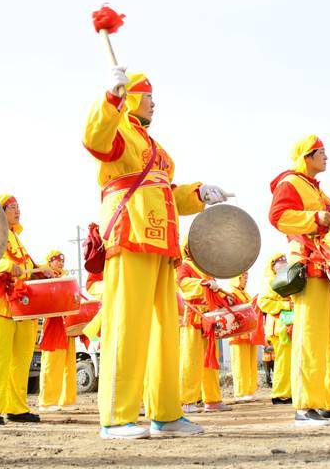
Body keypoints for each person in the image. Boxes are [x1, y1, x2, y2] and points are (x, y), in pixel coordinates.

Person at [82, 68, 230, 439]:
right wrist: (110, 99)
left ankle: (166, 413)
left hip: (162, 242)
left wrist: (199, 195)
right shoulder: (118, 130)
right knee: (126, 326)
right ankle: (116, 417)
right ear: (131, 97)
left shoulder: (154, 146)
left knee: (166, 330)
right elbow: (94, 138)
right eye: (148, 95)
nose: (154, 102)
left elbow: (167, 191)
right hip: (131, 233)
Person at [268, 135, 330, 427]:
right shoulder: (290, 183)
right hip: (309, 264)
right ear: (307, 156)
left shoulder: (316, 189)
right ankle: (306, 405)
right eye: (322, 153)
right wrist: (314, 218)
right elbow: (279, 216)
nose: (326, 157)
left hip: (329, 267)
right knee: (310, 336)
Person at [0, 195, 41, 426]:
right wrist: (6, 266)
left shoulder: (16, 238)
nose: (17, 210)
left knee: (21, 360)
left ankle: (16, 408)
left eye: (18, 207)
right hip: (0, 305)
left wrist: (41, 271)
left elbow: (26, 267)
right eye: (12, 207)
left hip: (22, 307)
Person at [177, 247, 229, 413]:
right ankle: (187, 400)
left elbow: (213, 292)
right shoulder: (184, 266)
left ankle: (213, 400)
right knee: (190, 360)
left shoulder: (207, 268)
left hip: (210, 317)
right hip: (193, 316)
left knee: (211, 358)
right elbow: (183, 284)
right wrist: (203, 284)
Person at [38, 251, 78, 412]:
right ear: (49, 262)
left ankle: (66, 400)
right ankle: (47, 401)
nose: (61, 263)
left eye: (63, 261)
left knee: (69, 364)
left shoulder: (66, 278)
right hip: (53, 323)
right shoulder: (43, 276)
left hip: (67, 323)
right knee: (52, 363)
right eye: (57, 260)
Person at [256, 253, 292, 404]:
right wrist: (285, 305)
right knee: (283, 362)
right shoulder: (270, 281)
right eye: (279, 261)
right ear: (273, 266)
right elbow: (262, 302)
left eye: (284, 260)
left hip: (287, 324)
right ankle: (280, 394)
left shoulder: (286, 279)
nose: (283, 263)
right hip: (278, 327)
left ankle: (287, 392)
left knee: (287, 361)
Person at [228, 270, 262, 403]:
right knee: (240, 363)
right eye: (243, 277)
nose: (246, 279)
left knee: (250, 362)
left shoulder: (245, 293)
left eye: (247, 277)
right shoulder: (231, 293)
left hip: (249, 333)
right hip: (238, 333)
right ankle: (241, 392)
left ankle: (249, 390)